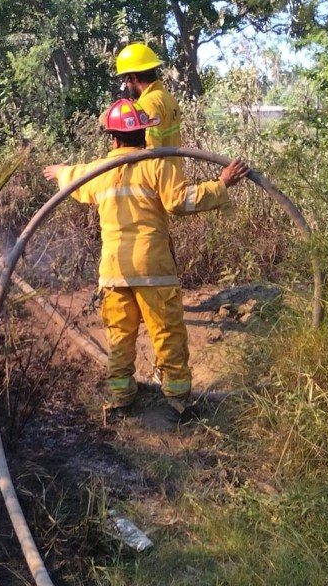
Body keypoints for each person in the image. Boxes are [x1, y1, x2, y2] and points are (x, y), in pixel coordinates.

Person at [43, 99, 249, 421]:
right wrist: (222, 184)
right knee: (167, 334)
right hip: (153, 270)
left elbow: (74, 177)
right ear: (144, 134)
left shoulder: (99, 172)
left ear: (112, 139)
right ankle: (178, 401)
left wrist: (59, 172)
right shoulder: (158, 165)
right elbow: (182, 201)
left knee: (120, 337)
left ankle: (121, 399)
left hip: (114, 271)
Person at [115, 43, 182, 168]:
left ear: (133, 77)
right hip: (173, 174)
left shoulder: (148, 103)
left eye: (125, 80)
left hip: (159, 181)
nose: (126, 86)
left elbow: (148, 151)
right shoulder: (167, 96)